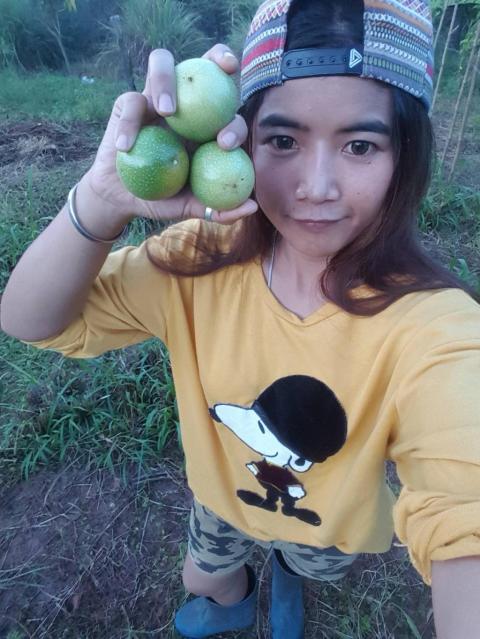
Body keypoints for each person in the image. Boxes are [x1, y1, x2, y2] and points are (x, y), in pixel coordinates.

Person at [1, 0, 480, 636]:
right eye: (282, 141)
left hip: (327, 527)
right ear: (239, 139)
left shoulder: (434, 326)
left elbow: (465, 507)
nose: (316, 186)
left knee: (305, 563)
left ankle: (286, 570)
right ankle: (234, 597)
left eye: (360, 145)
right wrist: (100, 198)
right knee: (204, 576)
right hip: (221, 500)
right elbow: (30, 320)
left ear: (406, 156)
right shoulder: (197, 263)